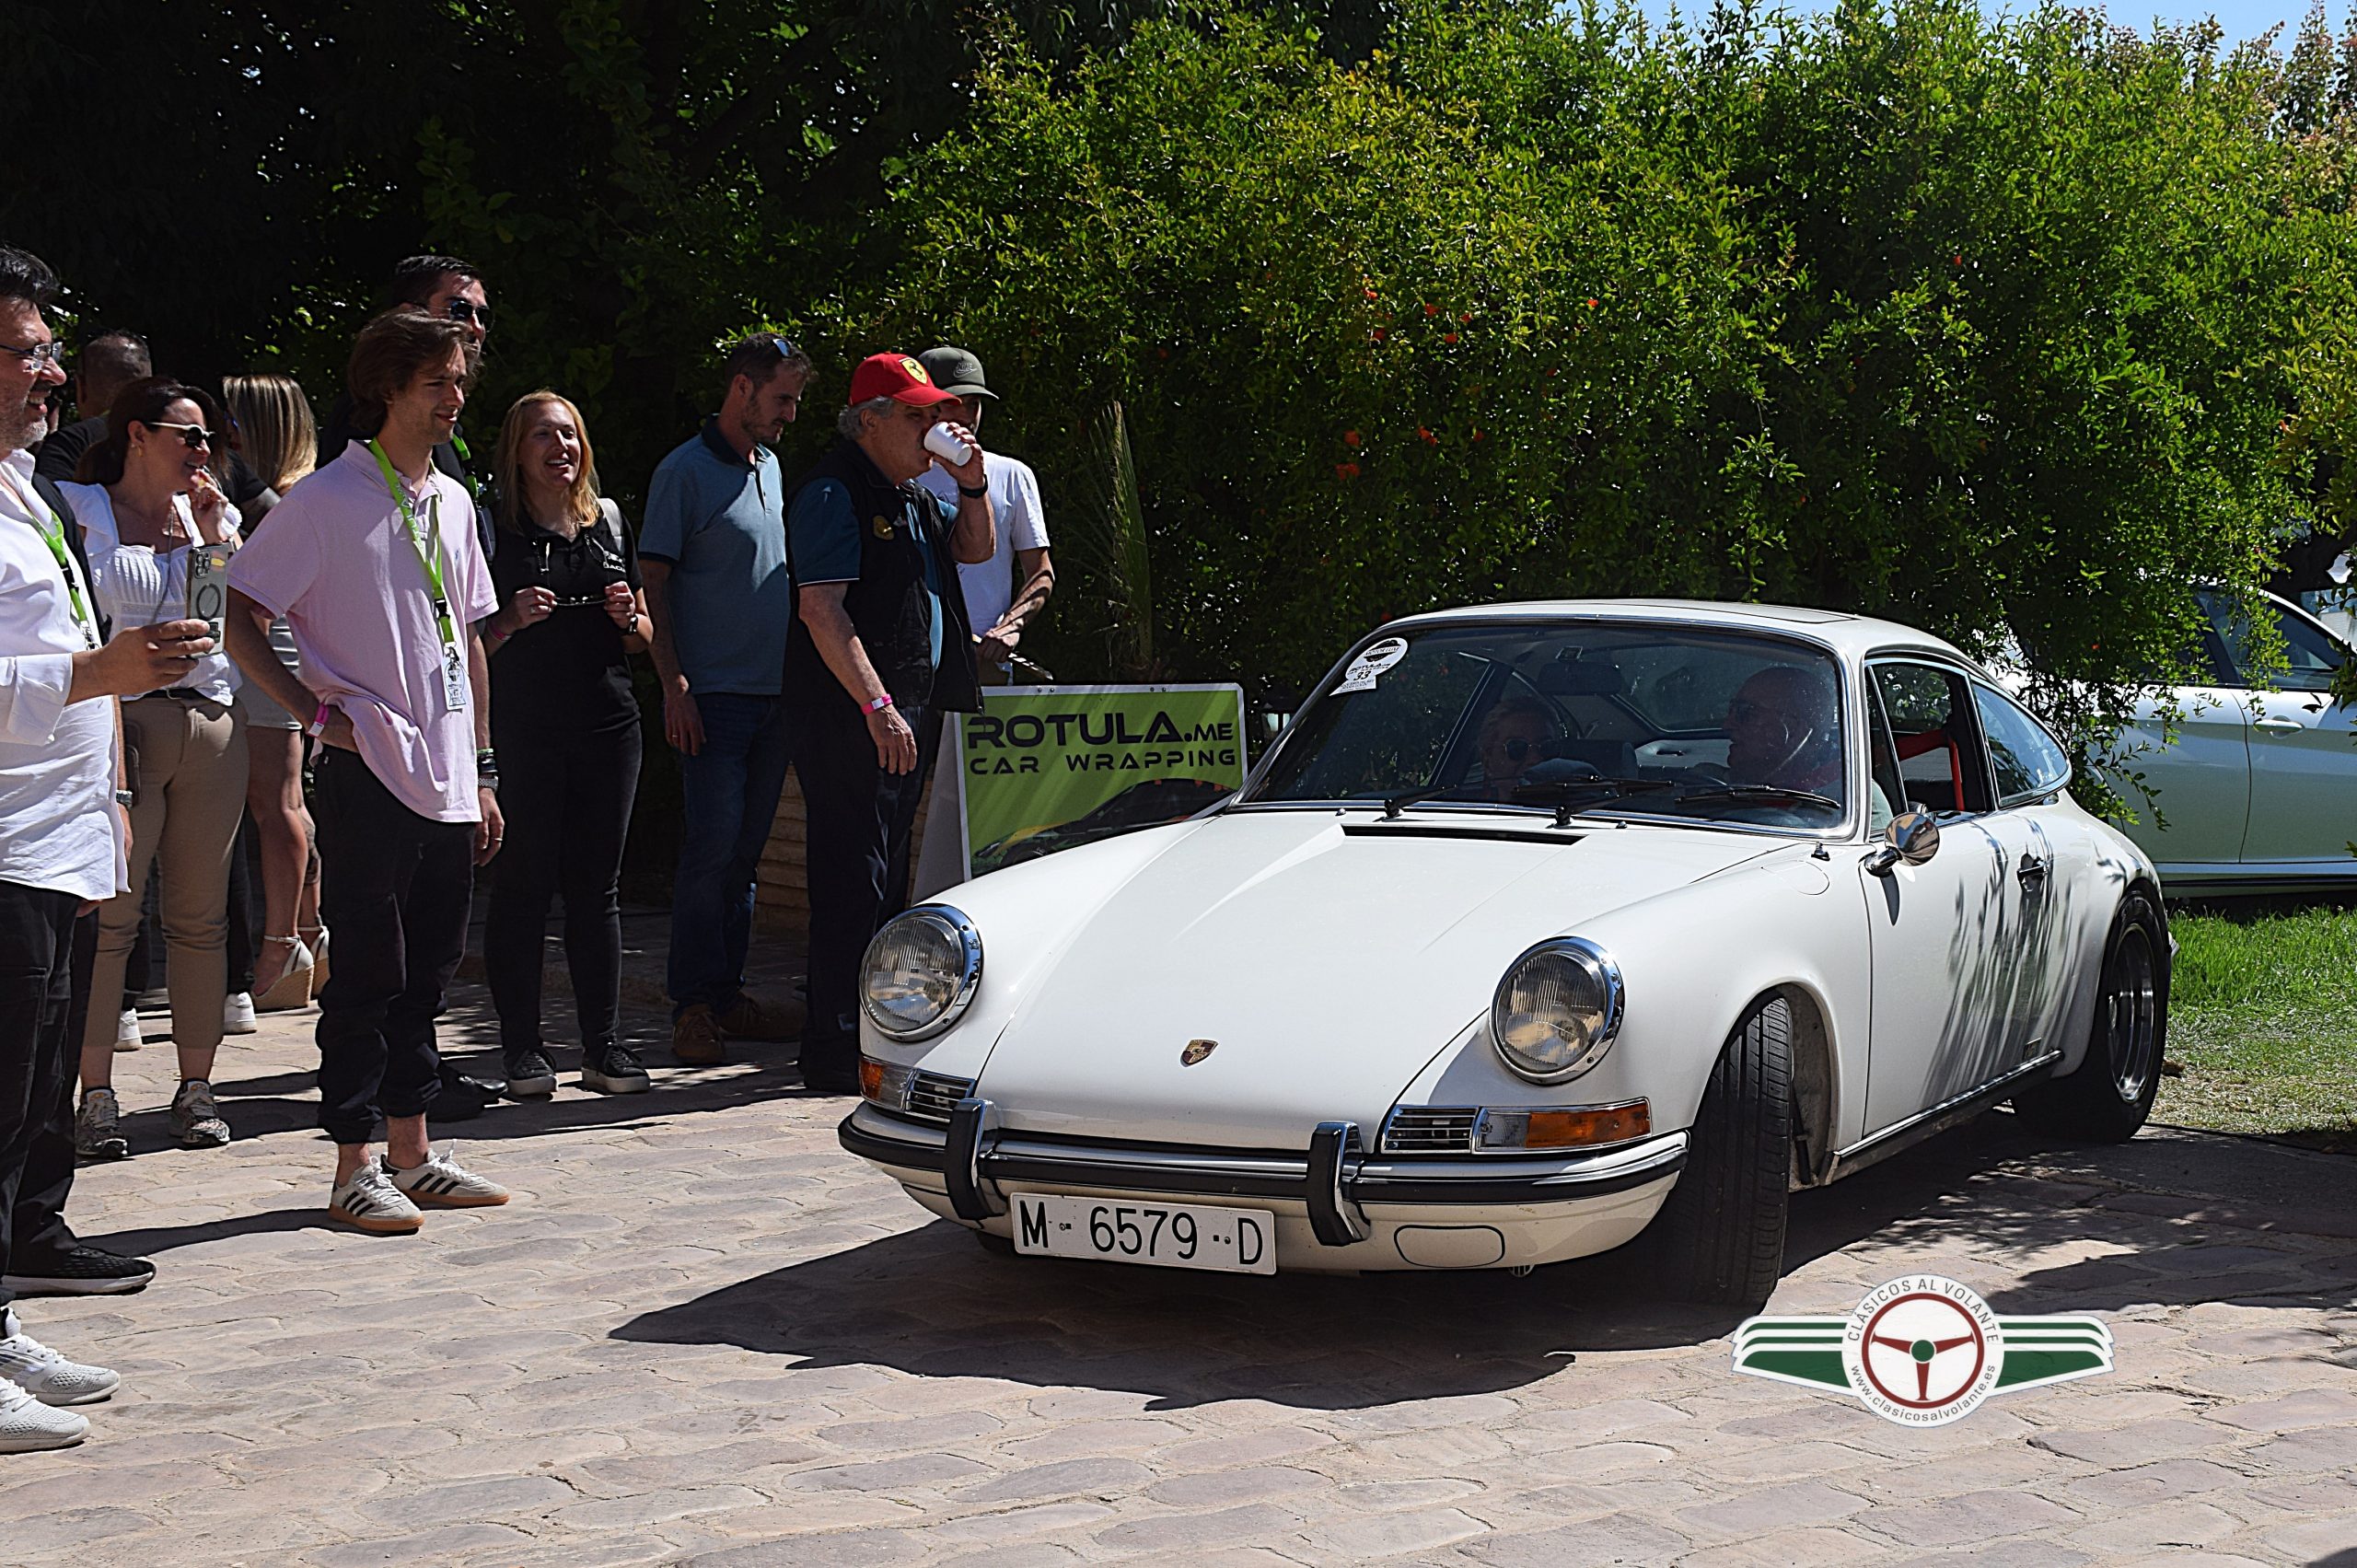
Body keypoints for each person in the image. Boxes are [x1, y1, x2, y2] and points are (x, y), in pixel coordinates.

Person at [226, 307, 511, 1234]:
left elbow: (465, 635)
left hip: (446, 772)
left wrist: (484, 767)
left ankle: (413, 1150)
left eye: (460, 381)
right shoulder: (325, 500)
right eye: (438, 383)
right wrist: (312, 712)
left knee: (428, 970)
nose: (455, 399)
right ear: (387, 386)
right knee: (367, 975)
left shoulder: (454, 500)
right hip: (368, 770)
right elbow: (240, 609)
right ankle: (352, 1160)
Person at [0, 244, 206, 1449]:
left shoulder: (26, 484)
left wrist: (109, 789)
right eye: (27, 350)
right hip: (4, 842)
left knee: (29, 1097)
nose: (49, 372)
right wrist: (97, 670)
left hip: (52, 835)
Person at [784, 353, 993, 1094]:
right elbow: (821, 608)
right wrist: (877, 705)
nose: (936, 424)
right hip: (856, 717)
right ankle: (833, 1047)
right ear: (868, 421)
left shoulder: (910, 494)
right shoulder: (834, 489)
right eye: (916, 415)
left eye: (937, 412)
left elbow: (976, 548)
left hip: (909, 712)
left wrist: (971, 483)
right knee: (851, 879)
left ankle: (875, 1031)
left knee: (883, 883)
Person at [59, 381, 249, 1156]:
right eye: (189, 436)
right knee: (111, 918)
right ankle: (94, 1097)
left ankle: (196, 1090)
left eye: (209, 440)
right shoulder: (79, 508)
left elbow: (211, 628)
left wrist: (208, 541)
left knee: (201, 919)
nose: (203, 454)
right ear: (137, 434)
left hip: (205, 719)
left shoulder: (212, 517)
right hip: (119, 720)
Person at [638, 334, 809, 1065]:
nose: (790, 415)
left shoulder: (770, 466)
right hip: (711, 697)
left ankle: (728, 990)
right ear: (742, 389)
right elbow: (654, 584)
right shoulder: (683, 471)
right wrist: (673, 682)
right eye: (782, 399)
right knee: (710, 851)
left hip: (774, 696)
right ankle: (693, 1006)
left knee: (744, 855)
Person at [479, 392, 653, 1097]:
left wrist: (627, 617)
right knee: (522, 887)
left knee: (596, 890)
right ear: (516, 451)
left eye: (572, 435)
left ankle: (602, 1045)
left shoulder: (606, 522)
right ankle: (522, 1048)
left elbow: (643, 635)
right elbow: (465, 641)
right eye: (545, 436)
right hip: (524, 729)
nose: (562, 448)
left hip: (608, 725)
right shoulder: (491, 527)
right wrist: (508, 620)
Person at [909, 348, 1053, 899]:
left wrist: (1009, 629)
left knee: (987, 814)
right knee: (904, 808)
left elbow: (1040, 572)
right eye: (955, 403)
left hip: (983, 674)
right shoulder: (901, 475)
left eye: (976, 405)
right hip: (912, 670)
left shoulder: (1012, 476)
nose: (967, 417)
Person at [220, 373, 325, 1012]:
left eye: (229, 421)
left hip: (270, 642)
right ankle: (309, 933)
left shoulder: (279, 504)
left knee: (275, 801)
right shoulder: (307, 496)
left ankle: (282, 940)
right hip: (280, 643)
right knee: (290, 799)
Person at [316, 256, 493, 500]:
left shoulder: (444, 422)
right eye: (459, 310)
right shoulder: (367, 414)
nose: (476, 327)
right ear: (408, 314)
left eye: (482, 316)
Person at [1724, 665, 1842, 795]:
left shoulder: (1843, 799)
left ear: (1794, 730)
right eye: (1732, 710)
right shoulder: (1715, 783)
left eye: (1746, 713)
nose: (1727, 725)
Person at [1474, 694, 1556, 800]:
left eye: (1547, 747)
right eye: (1517, 748)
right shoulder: (1458, 815)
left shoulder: (1581, 814)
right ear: (1488, 763)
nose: (1535, 759)